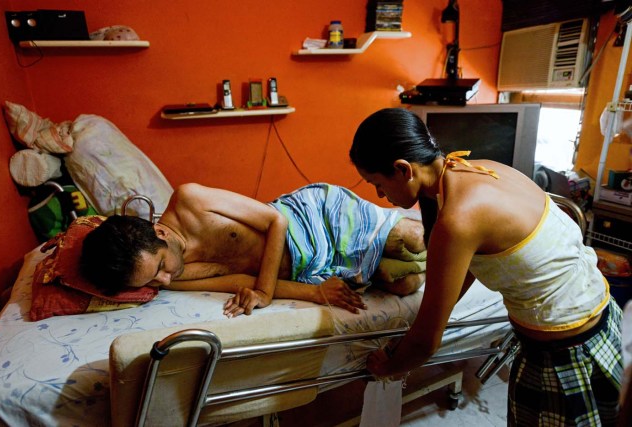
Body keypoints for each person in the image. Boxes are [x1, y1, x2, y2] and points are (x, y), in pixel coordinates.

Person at [350, 108, 624, 426]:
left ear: (403, 169)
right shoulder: (477, 168)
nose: (380, 194)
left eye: (377, 184)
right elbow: (469, 265)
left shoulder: (457, 221)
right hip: (603, 318)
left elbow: (426, 344)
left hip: (564, 355)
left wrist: (389, 367)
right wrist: (434, 311)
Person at [80, 182, 427, 317]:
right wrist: (316, 292)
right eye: (153, 282)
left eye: (160, 266)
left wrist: (264, 291)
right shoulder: (169, 280)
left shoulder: (191, 200)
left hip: (312, 218)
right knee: (405, 285)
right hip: (309, 266)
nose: (166, 278)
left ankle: (464, 234)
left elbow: (275, 221)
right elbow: (237, 280)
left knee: (411, 239)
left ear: (159, 232)